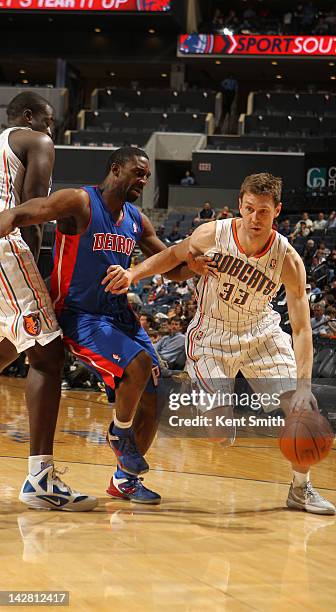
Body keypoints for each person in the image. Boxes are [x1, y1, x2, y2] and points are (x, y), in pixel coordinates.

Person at [104, 172, 336, 515]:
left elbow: (302, 329)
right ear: (240, 205)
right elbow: (172, 256)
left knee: (301, 408)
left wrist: (303, 385)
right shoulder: (213, 233)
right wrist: (133, 274)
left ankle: (301, 489)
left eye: (264, 212)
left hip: (261, 333)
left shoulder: (287, 259)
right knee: (219, 434)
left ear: (277, 211)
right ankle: (207, 397)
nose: (255, 218)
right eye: (249, 209)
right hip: (212, 334)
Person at [0, 146, 211, 505]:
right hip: (79, 314)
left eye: (146, 176)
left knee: (156, 389)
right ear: (116, 169)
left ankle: (125, 480)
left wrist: (199, 262)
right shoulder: (80, 201)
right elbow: (23, 213)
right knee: (138, 365)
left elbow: (172, 267)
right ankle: (119, 433)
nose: (143, 181)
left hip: (118, 316)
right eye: (137, 173)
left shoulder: (135, 219)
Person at [0, 91, 96, 511]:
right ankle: (40, 479)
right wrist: (37, 278)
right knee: (48, 355)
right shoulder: (36, 141)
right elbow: (32, 210)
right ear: (28, 117)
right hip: (7, 248)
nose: (52, 129)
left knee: (9, 346)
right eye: (49, 120)